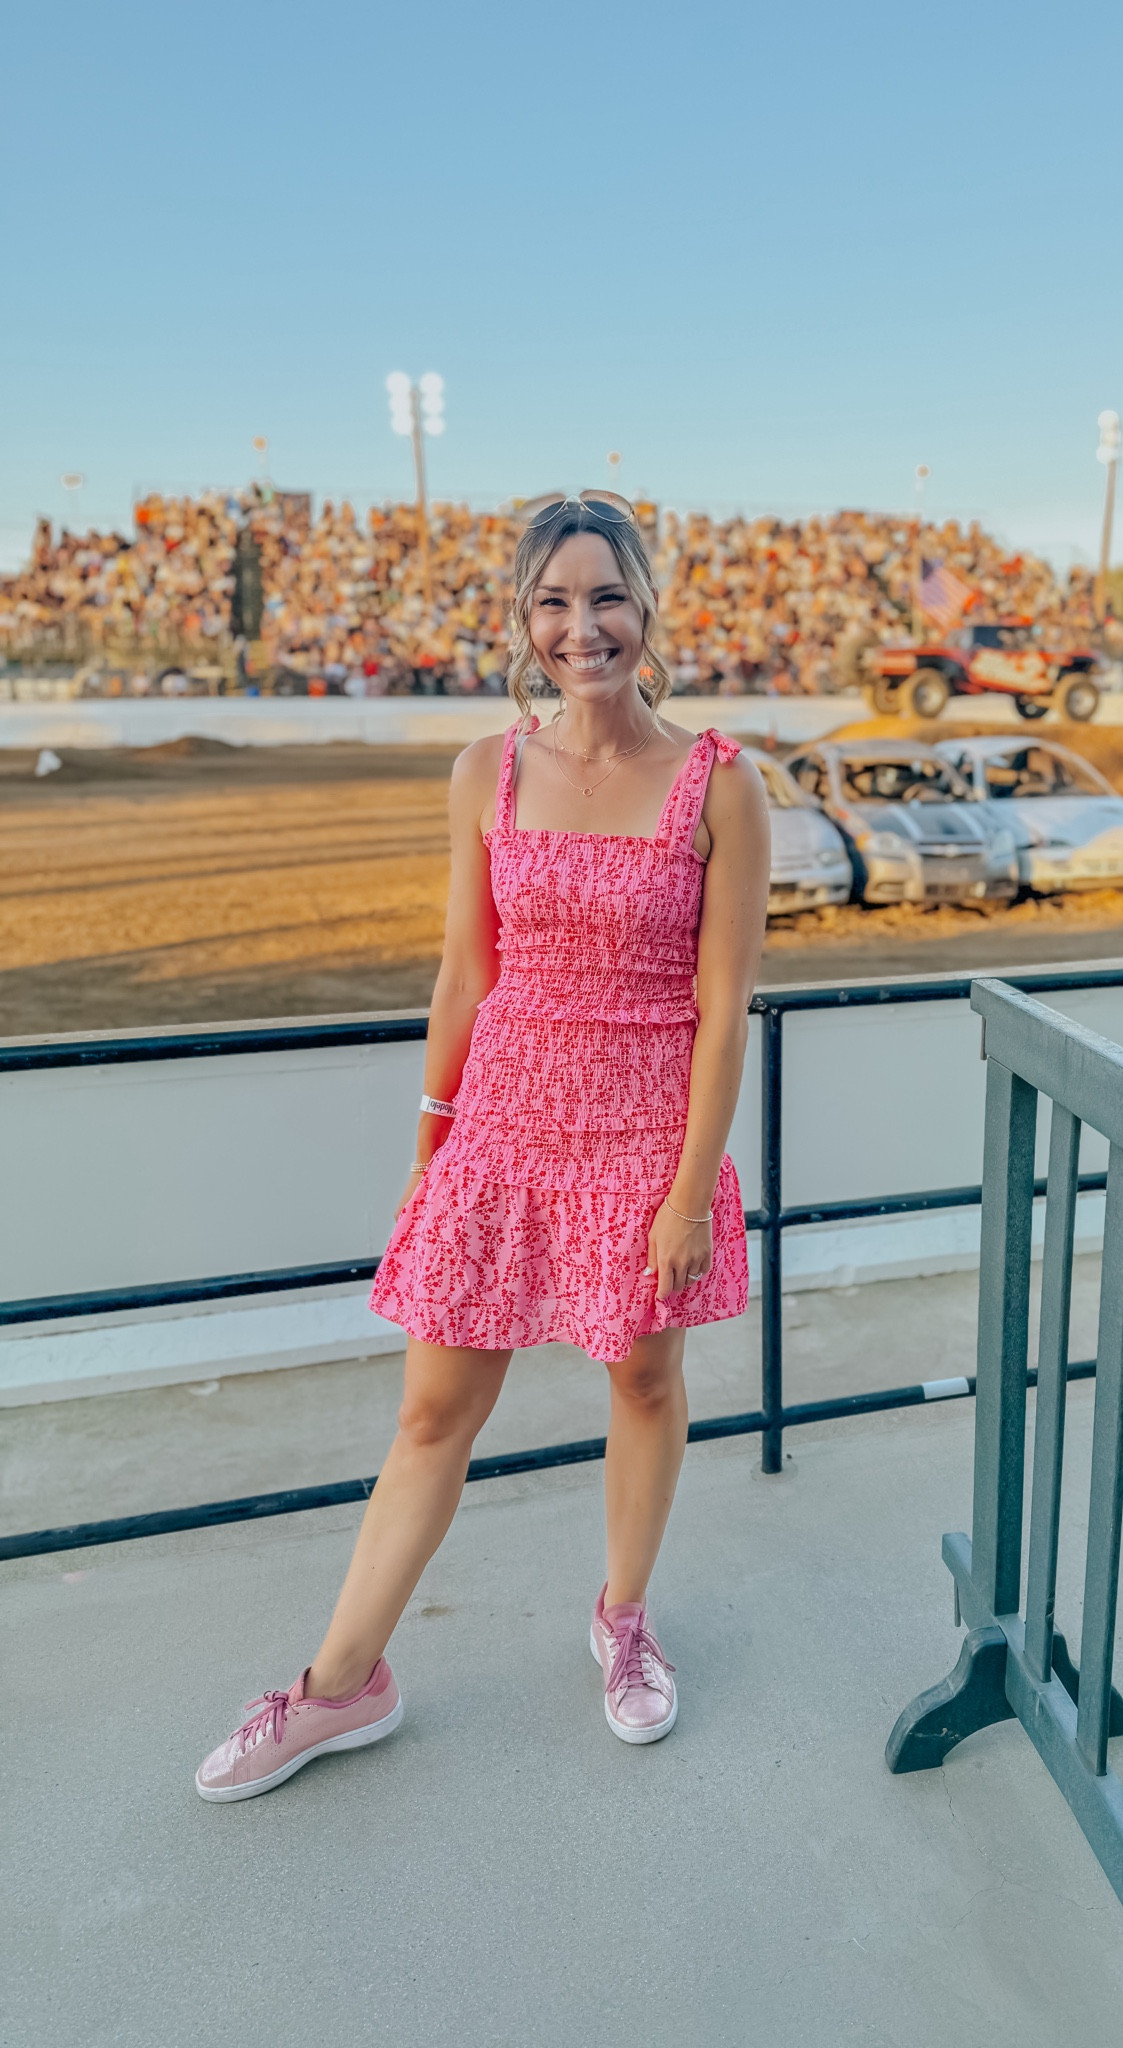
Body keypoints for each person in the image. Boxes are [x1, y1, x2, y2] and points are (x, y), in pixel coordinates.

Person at [195, 493, 771, 1801]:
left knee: (639, 1385)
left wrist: (690, 1192)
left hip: (641, 1134)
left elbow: (725, 1009)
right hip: (500, 1133)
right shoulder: (484, 772)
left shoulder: (721, 781)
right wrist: (429, 1148)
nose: (585, 626)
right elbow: (464, 977)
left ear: (649, 605)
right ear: (522, 621)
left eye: (608, 595)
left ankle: (624, 1621)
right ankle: (340, 1686)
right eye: (556, 602)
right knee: (432, 1412)